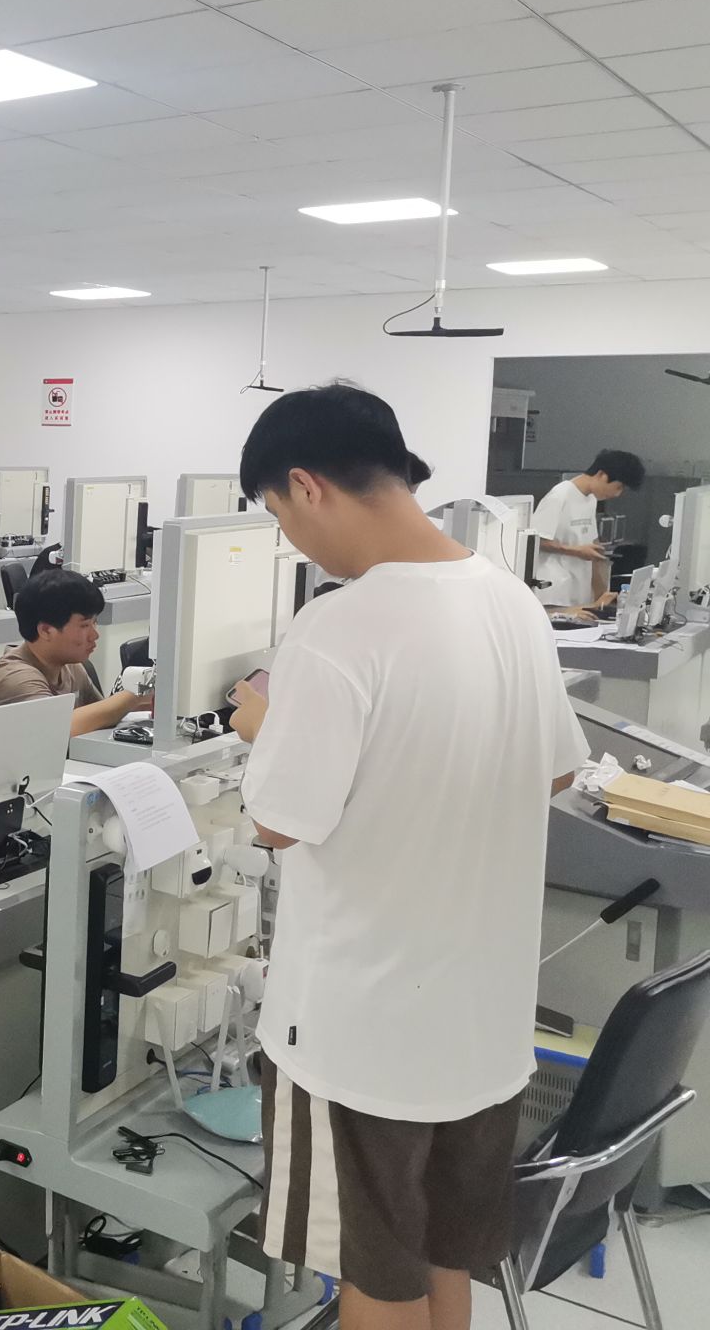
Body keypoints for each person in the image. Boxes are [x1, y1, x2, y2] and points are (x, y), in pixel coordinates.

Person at [226, 384, 585, 1330]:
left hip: (358, 1036)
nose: (294, 541)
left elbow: (278, 822)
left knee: (374, 1276)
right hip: (481, 1026)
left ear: (307, 486)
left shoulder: (340, 626)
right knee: (442, 1254)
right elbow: (553, 771)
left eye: (279, 516)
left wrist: (262, 726)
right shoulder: (511, 599)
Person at [0, 569, 153, 734]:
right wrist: (133, 696)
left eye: (95, 623)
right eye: (84, 625)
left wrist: (145, 699)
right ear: (46, 631)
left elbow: (103, 715)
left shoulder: (70, 667)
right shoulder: (16, 676)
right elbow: (57, 728)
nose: (95, 635)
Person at [531, 450, 644, 611]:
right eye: (618, 487)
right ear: (601, 475)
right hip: (555, 590)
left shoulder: (591, 499)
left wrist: (601, 592)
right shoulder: (560, 495)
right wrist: (575, 551)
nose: (617, 494)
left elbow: (592, 543)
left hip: (578, 587)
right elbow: (535, 540)